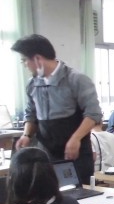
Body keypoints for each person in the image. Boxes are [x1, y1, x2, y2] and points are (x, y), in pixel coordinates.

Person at [11, 34, 102, 185]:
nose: (25, 65)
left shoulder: (76, 79)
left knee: (79, 193)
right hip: (46, 152)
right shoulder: (32, 84)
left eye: (25, 60)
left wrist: (75, 139)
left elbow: (93, 114)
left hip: (75, 151)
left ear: (37, 59)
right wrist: (26, 135)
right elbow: (31, 114)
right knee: (47, 192)